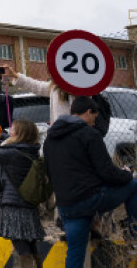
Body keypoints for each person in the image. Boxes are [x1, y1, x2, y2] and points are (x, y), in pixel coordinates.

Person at [43, 96, 137, 268]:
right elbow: (107, 172)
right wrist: (127, 175)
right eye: (95, 117)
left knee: (75, 251)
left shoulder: (50, 138)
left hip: (66, 205)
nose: (95, 122)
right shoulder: (89, 134)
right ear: (88, 112)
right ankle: (133, 237)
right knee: (134, 185)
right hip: (90, 199)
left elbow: (50, 172)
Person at [0, 120, 45, 268]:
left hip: (14, 205)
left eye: (12, 130)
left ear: (20, 134)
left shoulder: (13, 153)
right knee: (30, 243)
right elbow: (6, 144)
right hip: (27, 204)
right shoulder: (29, 150)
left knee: (21, 245)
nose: (9, 131)